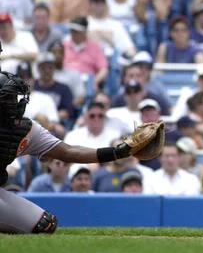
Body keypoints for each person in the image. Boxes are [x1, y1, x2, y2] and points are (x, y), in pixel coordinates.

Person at [0, 70, 142, 234]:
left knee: (45, 225)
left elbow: (69, 152)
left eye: (15, 97)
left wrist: (117, 153)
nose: (15, 102)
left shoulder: (24, 129)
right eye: (8, 98)